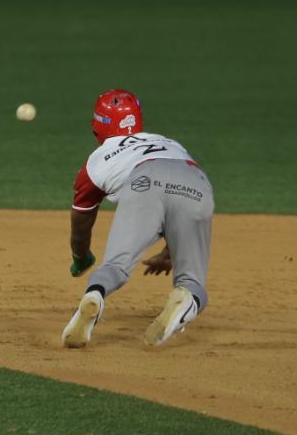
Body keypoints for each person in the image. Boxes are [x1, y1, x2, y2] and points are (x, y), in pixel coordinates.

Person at [62, 89, 215, 349]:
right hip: (195, 183)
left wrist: (81, 256)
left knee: (115, 266)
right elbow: (176, 194)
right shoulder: (170, 143)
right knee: (192, 283)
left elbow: (81, 221)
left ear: (96, 125)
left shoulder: (98, 160)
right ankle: (185, 298)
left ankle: (95, 296)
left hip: (143, 181)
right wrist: (170, 251)